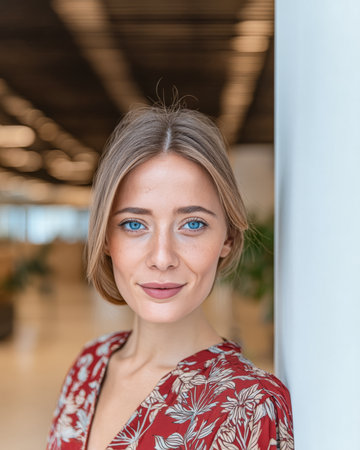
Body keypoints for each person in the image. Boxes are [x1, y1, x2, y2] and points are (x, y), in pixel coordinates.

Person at [47, 105, 294, 449]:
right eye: (134, 224)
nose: (162, 258)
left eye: (192, 224)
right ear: (105, 238)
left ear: (228, 238)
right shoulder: (89, 365)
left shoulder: (251, 405)